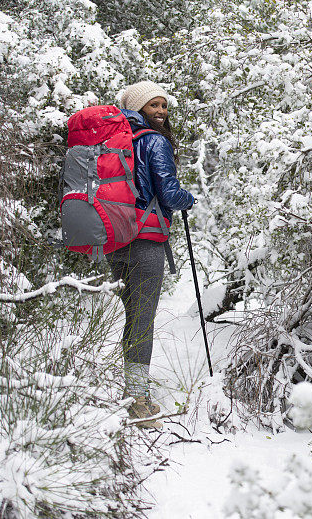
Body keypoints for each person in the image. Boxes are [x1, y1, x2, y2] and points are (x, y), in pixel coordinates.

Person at [110, 81, 195, 429]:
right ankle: (138, 401)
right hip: (146, 240)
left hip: (114, 239)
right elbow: (170, 193)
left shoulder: (114, 139)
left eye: (163, 105)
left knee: (131, 314)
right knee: (142, 319)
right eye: (153, 105)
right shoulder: (154, 141)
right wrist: (188, 198)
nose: (160, 112)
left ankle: (129, 390)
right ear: (139, 108)